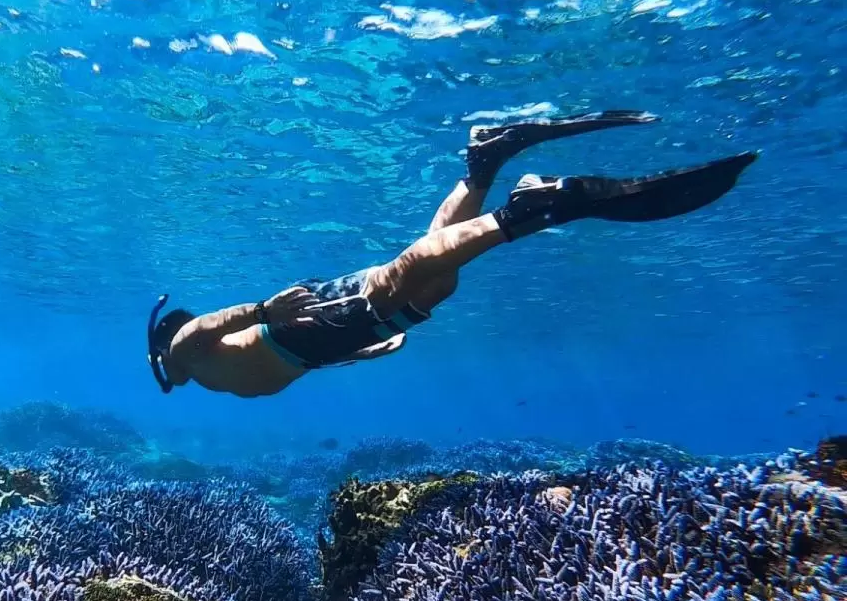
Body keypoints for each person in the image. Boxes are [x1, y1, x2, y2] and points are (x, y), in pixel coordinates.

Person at [146, 111, 758, 398]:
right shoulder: (207, 374)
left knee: (402, 276)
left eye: (159, 373)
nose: (166, 380)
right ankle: (484, 165)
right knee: (435, 283)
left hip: (297, 323)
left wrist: (264, 308)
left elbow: (204, 323)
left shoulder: (184, 350)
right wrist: (362, 350)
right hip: (314, 345)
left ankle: (532, 208)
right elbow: (289, 369)